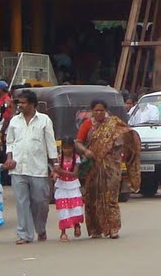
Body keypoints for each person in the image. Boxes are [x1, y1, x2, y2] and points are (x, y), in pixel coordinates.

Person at [77, 101, 140, 239]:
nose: (99, 113)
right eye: (96, 110)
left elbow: (129, 135)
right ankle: (95, 229)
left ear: (106, 111)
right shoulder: (88, 125)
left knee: (111, 197)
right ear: (92, 111)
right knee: (92, 198)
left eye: (101, 110)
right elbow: (78, 142)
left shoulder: (114, 125)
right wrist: (85, 151)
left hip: (112, 168)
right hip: (93, 167)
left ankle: (113, 228)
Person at [4, 91, 56, 244]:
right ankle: (24, 234)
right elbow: (10, 142)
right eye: (19, 102)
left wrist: (56, 164)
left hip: (38, 168)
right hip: (18, 168)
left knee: (40, 201)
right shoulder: (14, 121)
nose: (20, 105)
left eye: (24, 102)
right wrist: (9, 158)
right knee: (21, 202)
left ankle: (41, 229)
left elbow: (50, 143)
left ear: (33, 104)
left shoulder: (44, 120)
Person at [53, 139, 85, 240]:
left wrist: (61, 171)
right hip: (62, 186)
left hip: (73, 186)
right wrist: (55, 174)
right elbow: (55, 171)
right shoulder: (59, 159)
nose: (66, 150)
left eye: (69, 148)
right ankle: (63, 232)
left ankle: (77, 225)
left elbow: (74, 174)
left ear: (73, 148)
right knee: (63, 209)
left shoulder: (77, 158)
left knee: (75, 207)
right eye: (64, 148)